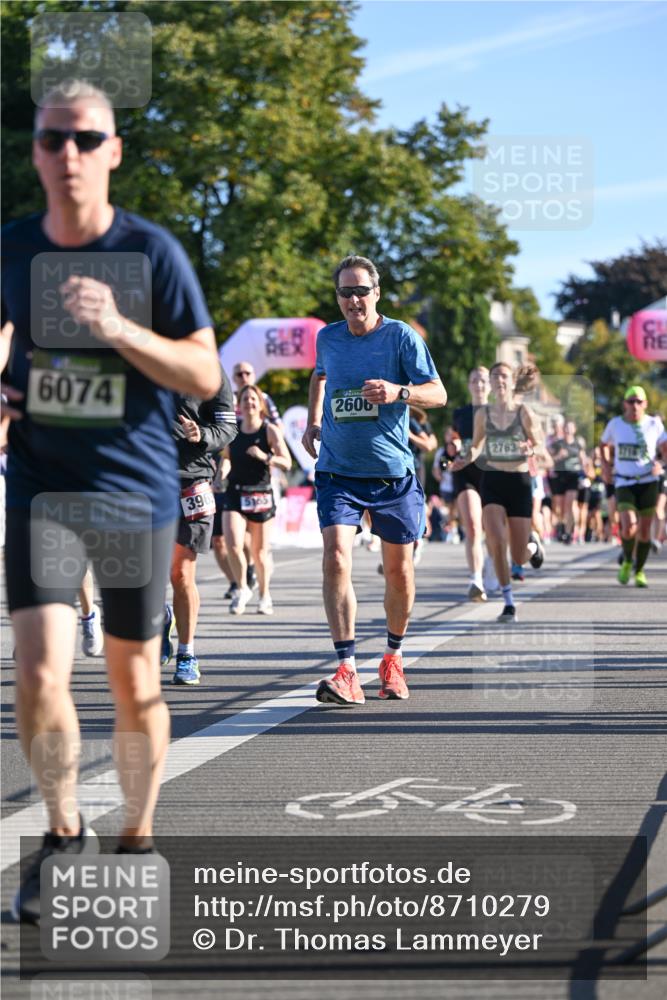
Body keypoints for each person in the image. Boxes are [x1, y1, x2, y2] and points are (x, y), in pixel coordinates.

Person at [2, 81, 221, 923]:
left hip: (134, 489)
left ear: (113, 151)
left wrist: (124, 332)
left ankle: (136, 835)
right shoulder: (14, 247)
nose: (69, 156)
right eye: (54, 140)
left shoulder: (150, 253)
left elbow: (203, 374)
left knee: (133, 679)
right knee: (38, 671)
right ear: (35, 151)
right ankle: (62, 834)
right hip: (43, 485)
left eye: (87, 140)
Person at [302, 254, 446, 705]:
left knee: (399, 573)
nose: (353, 300)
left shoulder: (400, 337)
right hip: (337, 470)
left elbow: (438, 393)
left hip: (391, 473)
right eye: (345, 292)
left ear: (376, 293)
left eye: (361, 290)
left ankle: (392, 657)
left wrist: (398, 392)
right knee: (336, 558)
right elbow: (319, 375)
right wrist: (311, 421)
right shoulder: (328, 337)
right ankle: (347, 669)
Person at [451, 362, 545, 624]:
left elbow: (540, 446)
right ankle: (508, 602)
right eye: (495, 377)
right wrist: (463, 459)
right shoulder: (483, 414)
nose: (499, 381)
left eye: (504, 376)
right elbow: (477, 446)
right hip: (492, 479)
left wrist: (531, 449)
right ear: (490, 384)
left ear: (512, 381)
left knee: (517, 555)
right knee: (494, 537)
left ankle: (532, 546)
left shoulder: (524, 412)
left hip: (519, 482)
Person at [160, 367, 237, 684]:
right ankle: (161, 616)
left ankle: (187, 654)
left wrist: (201, 435)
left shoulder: (209, 369)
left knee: (181, 573)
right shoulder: (138, 356)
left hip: (193, 479)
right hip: (146, 479)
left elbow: (227, 428)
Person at [222, 383, 291, 615]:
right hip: (235, 491)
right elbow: (227, 458)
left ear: (259, 403)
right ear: (239, 406)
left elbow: (287, 462)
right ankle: (242, 588)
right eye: (244, 400)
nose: (248, 403)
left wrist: (265, 456)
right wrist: (220, 473)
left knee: (260, 553)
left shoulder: (269, 430)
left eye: (253, 399)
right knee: (232, 543)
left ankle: (264, 594)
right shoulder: (233, 430)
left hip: (260, 493)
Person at [600, 386, 665, 587]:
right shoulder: (616, 424)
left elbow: (665, 448)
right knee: (628, 526)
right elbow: (603, 445)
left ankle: (639, 570)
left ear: (645, 404)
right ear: (624, 404)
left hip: (648, 481)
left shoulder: (654, 424)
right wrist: (605, 466)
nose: (635, 405)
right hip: (624, 481)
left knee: (644, 532)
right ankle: (628, 560)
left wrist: (660, 464)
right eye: (631, 401)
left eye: (639, 401)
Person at [451, 366, 491, 601]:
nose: (478, 385)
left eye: (483, 380)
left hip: (492, 475)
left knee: (494, 531)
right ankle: (476, 579)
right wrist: (452, 451)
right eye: (474, 380)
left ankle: (494, 564)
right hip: (465, 472)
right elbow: (454, 440)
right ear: (469, 385)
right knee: (473, 527)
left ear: (490, 385)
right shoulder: (460, 413)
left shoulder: (498, 412)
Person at [549, 419, 587, 543]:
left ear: (574, 430)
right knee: (559, 506)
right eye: (566, 428)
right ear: (563, 429)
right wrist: (558, 456)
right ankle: (560, 527)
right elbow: (549, 459)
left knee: (570, 504)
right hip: (560, 476)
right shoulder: (557, 444)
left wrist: (585, 471)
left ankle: (569, 532)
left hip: (573, 476)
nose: (568, 430)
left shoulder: (577, 444)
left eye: (570, 428)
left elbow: (583, 460)